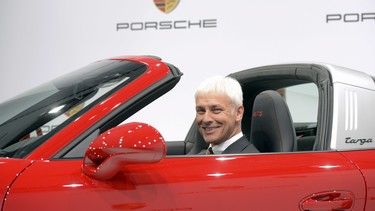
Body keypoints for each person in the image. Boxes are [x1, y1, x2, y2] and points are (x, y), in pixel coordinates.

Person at [194, 76, 259, 154]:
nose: (206, 119)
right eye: (201, 111)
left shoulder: (251, 162)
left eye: (216, 110)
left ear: (238, 113)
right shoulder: (197, 159)